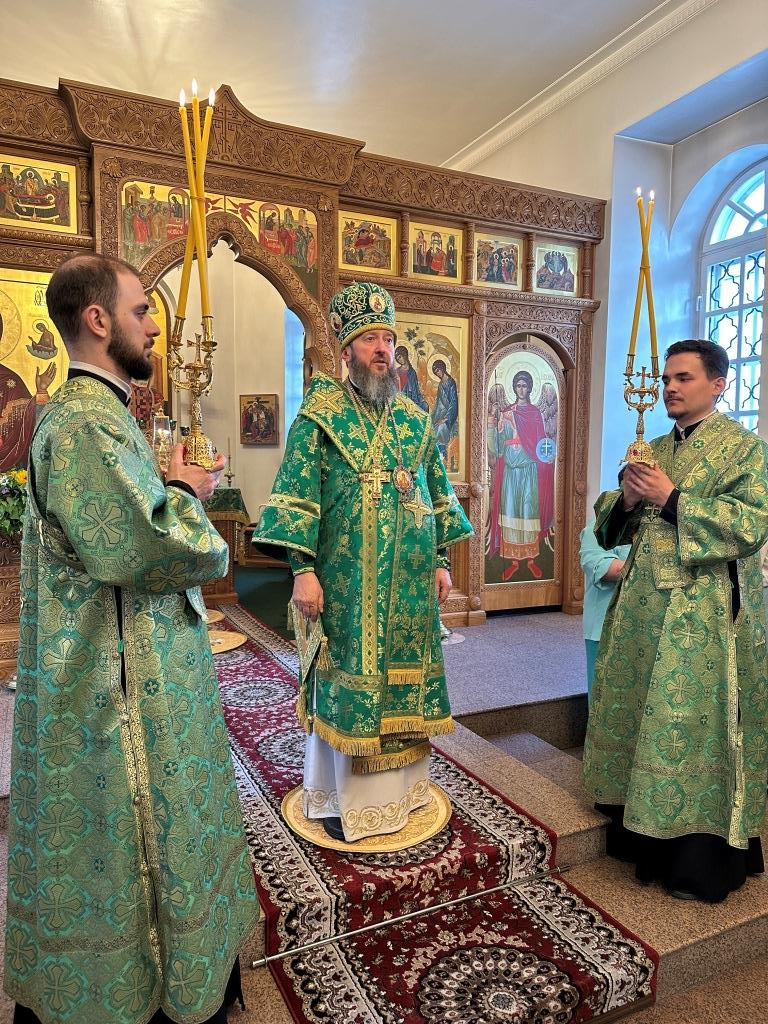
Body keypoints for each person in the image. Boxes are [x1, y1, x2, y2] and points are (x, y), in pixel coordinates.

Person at [5, 253, 259, 1024]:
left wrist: (171, 483)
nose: (153, 326)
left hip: (134, 666)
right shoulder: (86, 422)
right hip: (113, 692)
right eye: (142, 310)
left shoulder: (102, 414)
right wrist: (185, 490)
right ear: (98, 319)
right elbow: (142, 546)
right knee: (124, 840)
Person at [252, 280, 473, 844]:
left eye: (388, 339)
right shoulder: (320, 415)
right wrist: (303, 570)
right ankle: (342, 800)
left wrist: (441, 560)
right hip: (347, 586)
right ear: (347, 349)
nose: (382, 349)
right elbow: (298, 494)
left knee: (405, 686)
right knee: (348, 683)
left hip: (409, 588)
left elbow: (435, 492)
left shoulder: (414, 420)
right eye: (370, 339)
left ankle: (403, 795)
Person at [583, 338, 768, 903]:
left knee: (687, 720)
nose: (669, 388)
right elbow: (615, 523)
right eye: (666, 379)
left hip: (702, 614)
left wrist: (671, 497)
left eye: (683, 378)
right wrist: (627, 500)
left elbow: (751, 522)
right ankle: (637, 832)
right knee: (640, 708)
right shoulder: (656, 447)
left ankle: (695, 858)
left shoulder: (744, 449)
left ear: (718, 384)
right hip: (642, 608)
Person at [487, 372, 554, 581]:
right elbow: (496, 447)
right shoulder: (506, 413)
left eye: (525, 385)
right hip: (510, 471)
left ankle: (531, 560)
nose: (521, 389)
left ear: (530, 388)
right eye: (518, 385)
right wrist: (491, 424)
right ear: (514, 388)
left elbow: (542, 442)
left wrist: (547, 460)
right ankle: (513, 562)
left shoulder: (535, 413)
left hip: (528, 470)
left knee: (527, 512)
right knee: (510, 512)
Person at [578, 518, 630, 700]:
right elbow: (603, 567)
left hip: (647, 628)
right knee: (605, 698)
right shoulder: (603, 522)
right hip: (605, 628)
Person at [431, 359, 459, 464]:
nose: (437, 373)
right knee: (433, 427)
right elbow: (438, 403)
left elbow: (454, 403)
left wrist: (446, 418)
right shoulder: (440, 385)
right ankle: (436, 454)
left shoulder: (451, 383)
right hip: (441, 413)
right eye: (435, 372)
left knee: (441, 427)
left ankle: (442, 452)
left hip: (450, 415)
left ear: (443, 368)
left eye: (438, 370)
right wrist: (433, 417)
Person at [395, 345, 428, 411]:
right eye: (398, 359)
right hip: (401, 398)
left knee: (425, 406)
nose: (399, 360)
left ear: (405, 355)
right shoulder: (397, 371)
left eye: (400, 357)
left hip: (412, 398)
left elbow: (416, 389)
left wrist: (421, 399)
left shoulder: (412, 372)